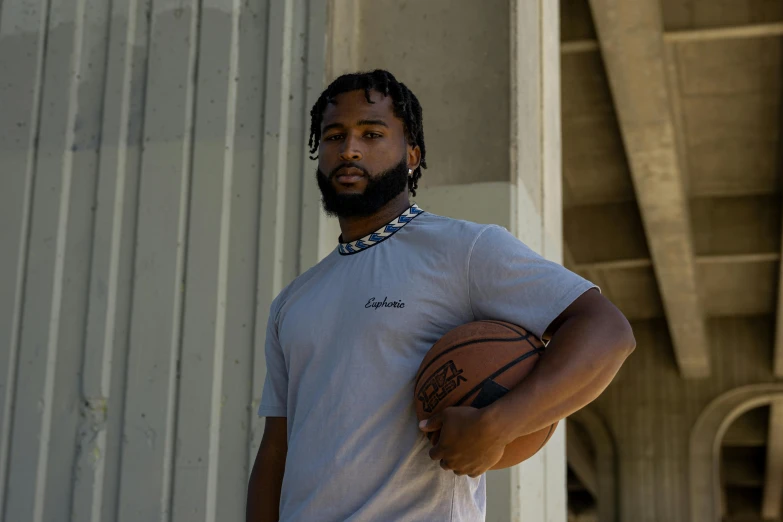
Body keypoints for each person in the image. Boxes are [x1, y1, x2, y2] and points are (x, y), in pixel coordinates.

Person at [246, 69, 635, 522]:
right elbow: (277, 449)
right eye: (334, 135)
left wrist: (499, 424)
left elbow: (607, 331)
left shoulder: (464, 250)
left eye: (372, 133)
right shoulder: (293, 301)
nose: (349, 149)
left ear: (412, 154)